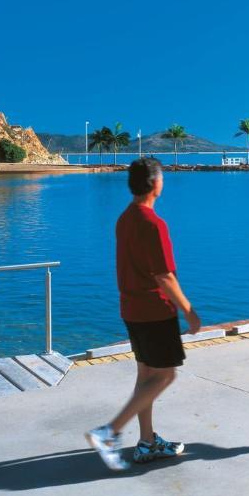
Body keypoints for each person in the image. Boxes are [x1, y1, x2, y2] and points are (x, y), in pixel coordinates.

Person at [86, 157, 202, 471]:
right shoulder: (154, 224)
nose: (163, 182)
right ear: (154, 184)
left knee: (146, 376)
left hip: (131, 310)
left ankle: (147, 442)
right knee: (165, 375)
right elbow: (164, 276)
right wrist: (189, 311)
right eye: (162, 177)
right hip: (154, 311)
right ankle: (108, 433)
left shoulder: (124, 219)